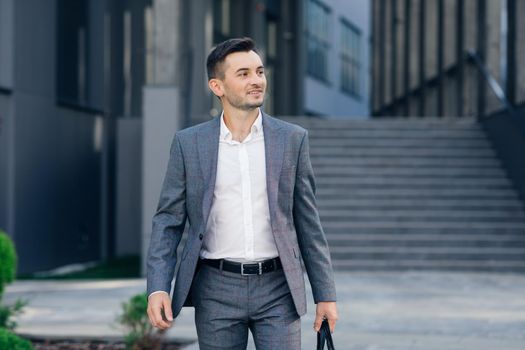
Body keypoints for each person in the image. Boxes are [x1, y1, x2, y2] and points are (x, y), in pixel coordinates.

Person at [146, 37, 338, 349]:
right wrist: (157, 287)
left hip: (278, 288)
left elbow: (308, 224)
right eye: (244, 74)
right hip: (214, 288)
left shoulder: (291, 140)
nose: (256, 80)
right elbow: (168, 220)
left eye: (260, 72)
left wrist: (325, 295)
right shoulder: (189, 144)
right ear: (217, 86)